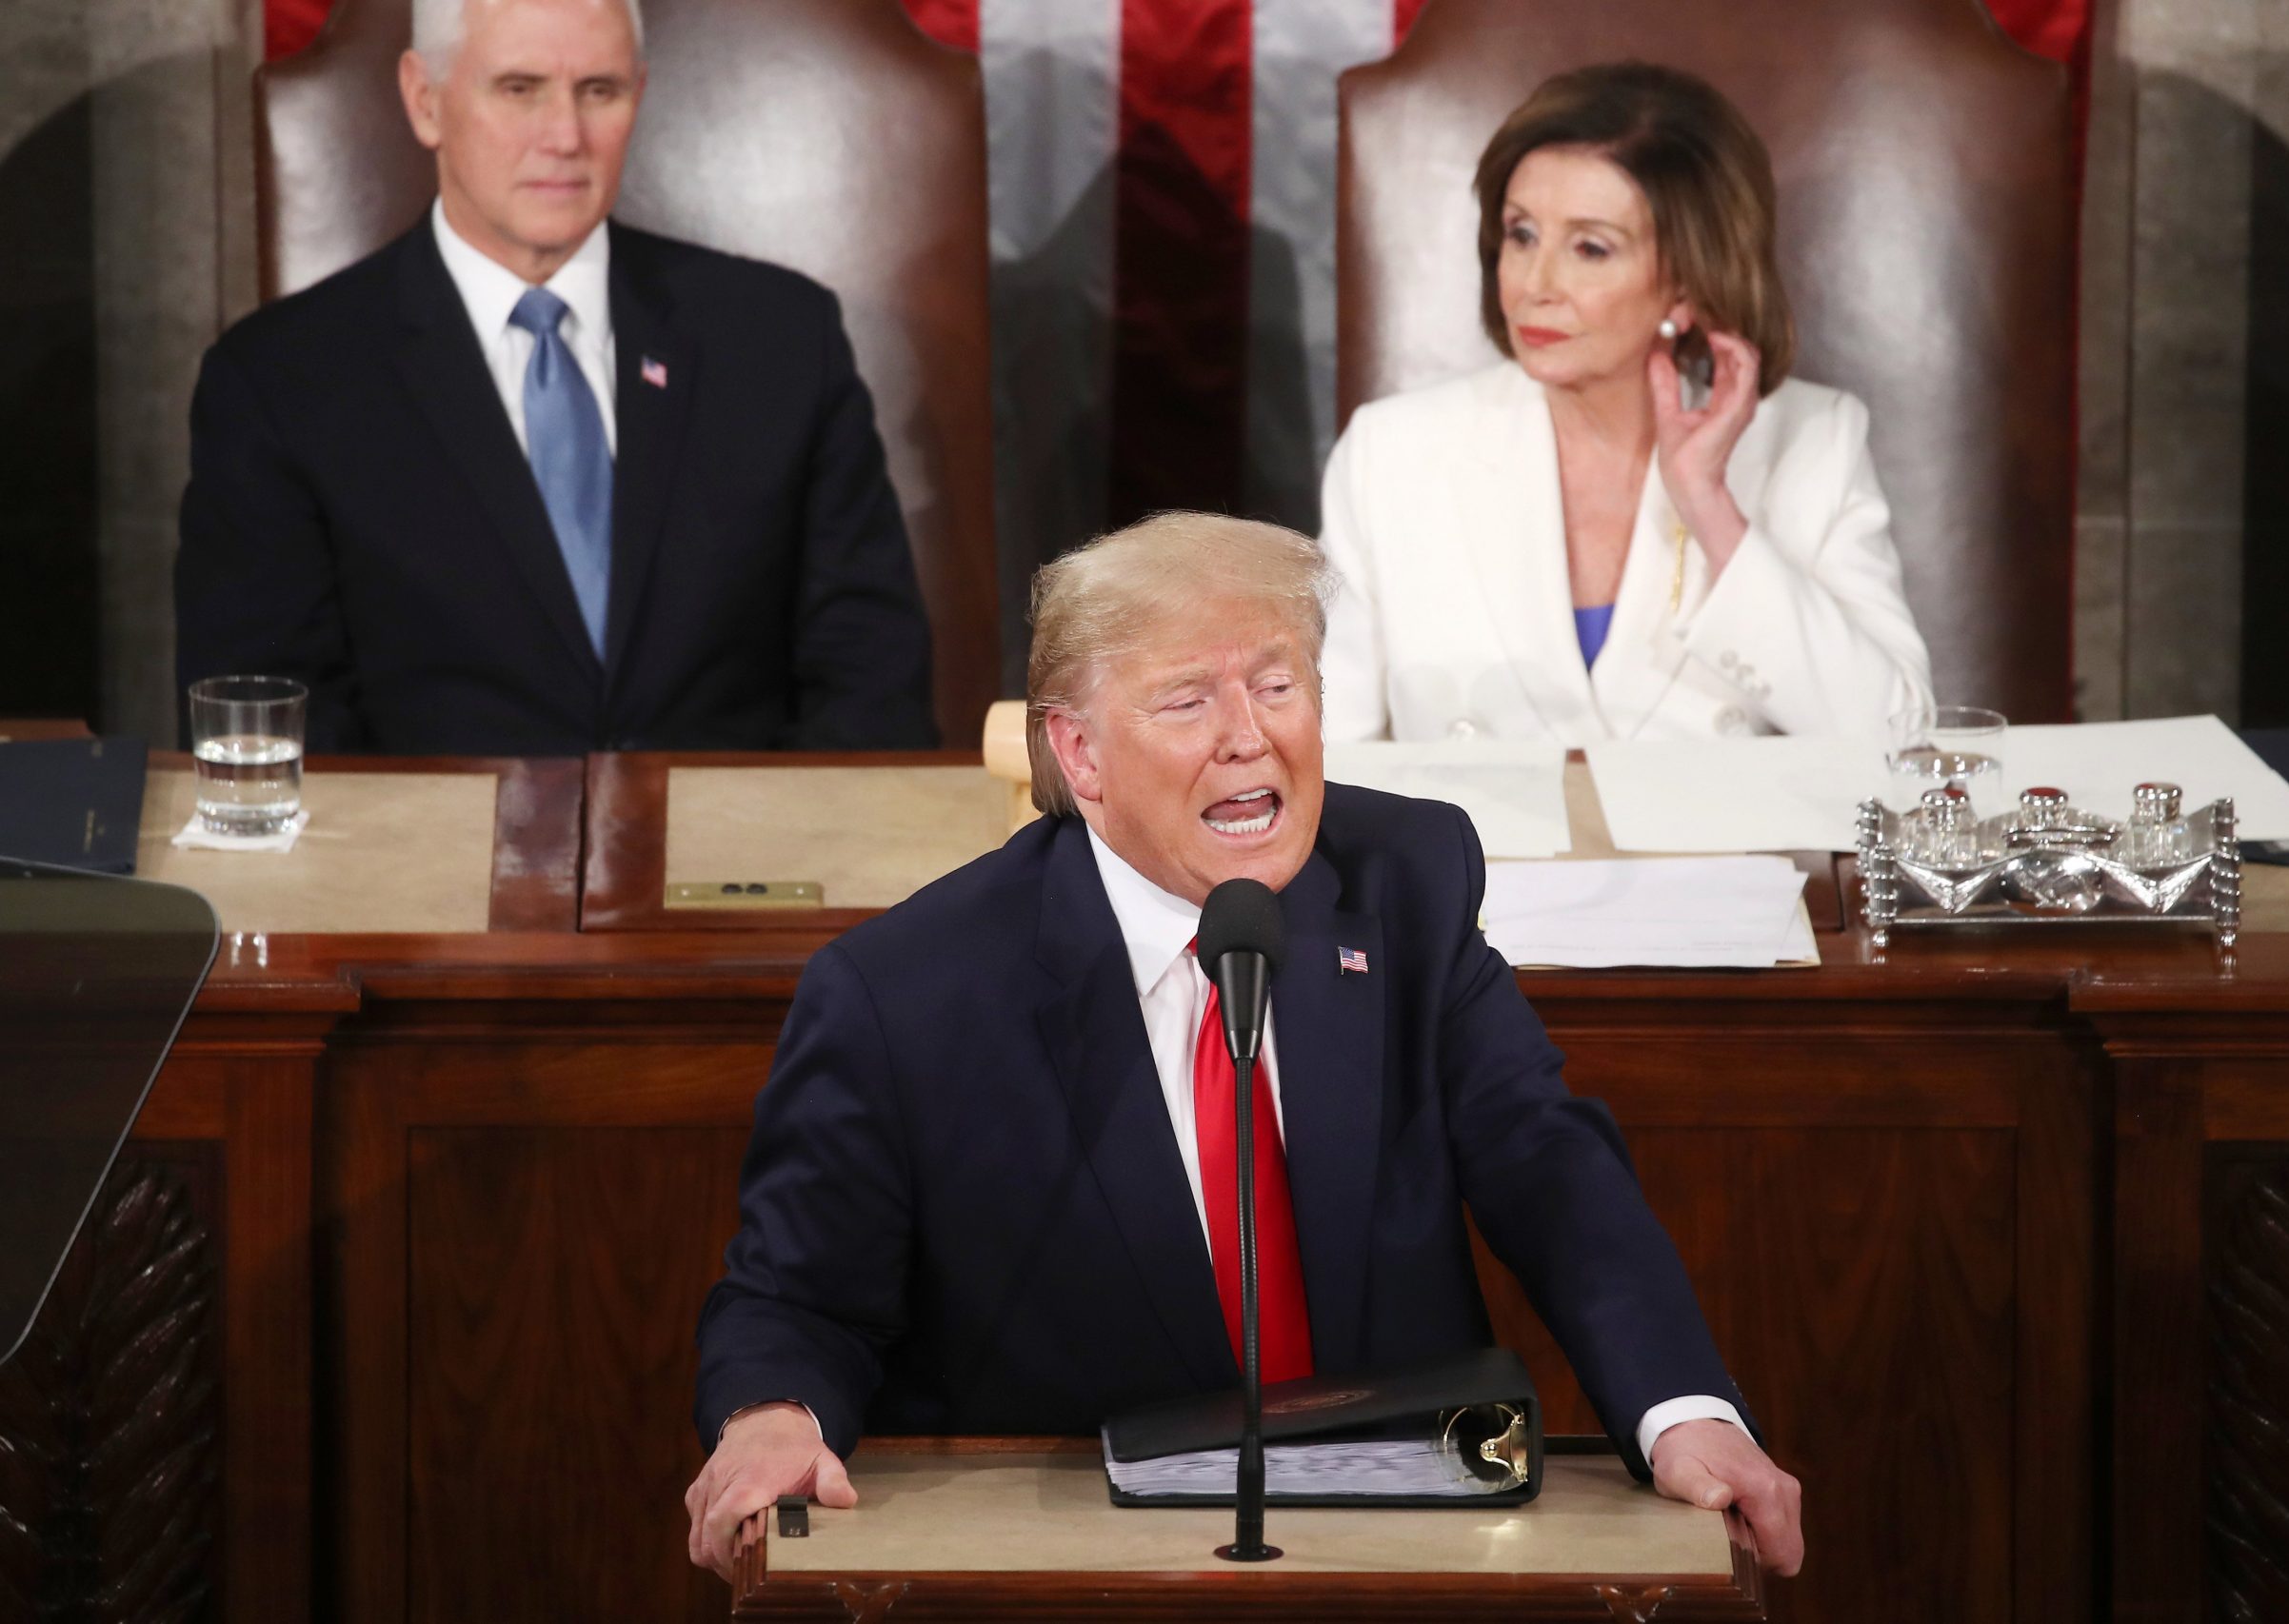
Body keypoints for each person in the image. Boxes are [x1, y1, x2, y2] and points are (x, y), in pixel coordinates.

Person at [685, 512, 1803, 1580]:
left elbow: (1551, 1169)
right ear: (1079, 755)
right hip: (1072, 1563)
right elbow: (796, 1298)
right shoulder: (905, 993)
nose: (1248, 734)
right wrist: (773, 1413)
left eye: (1277, 684)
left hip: (1398, 1552)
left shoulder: (1401, 881)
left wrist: (1682, 1409)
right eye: (1187, 700)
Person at [174, 0, 937, 754]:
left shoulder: (780, 340)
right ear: (425, 100)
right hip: (431, 867)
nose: (565, 137)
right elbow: (269, 727)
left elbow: (872, 686)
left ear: (637, 96)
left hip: (745, 864)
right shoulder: (282, 380)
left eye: (597, 91)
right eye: (519, 88)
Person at [1319, 62, 1932, 745]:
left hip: (1726, 854)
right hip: (1476, 855)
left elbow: (1898, 739)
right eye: (1521, 234)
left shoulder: (1814, 441)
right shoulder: (1391, 453)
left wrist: (1709, 508)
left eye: (1590, 247)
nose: (1534, 283)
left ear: (1689, 280)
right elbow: (1332, 763)